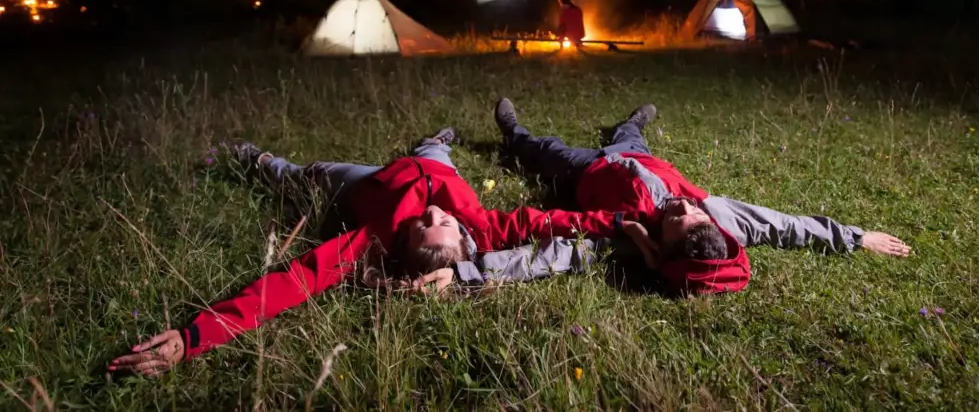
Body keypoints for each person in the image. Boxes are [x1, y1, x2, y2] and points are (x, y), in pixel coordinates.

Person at [108, 127, 643, 376]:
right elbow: (549, 222)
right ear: (464, 244)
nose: (435, 216)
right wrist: (624, 219)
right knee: (421, 154)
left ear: (406, 244)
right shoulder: (483, 225)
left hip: (365, 186)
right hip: (419, 170)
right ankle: (436, 139)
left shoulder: (375, 238)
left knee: (308, 176)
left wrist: (195, 335)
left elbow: (295, 281)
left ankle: (256, 157)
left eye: (426, 225)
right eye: (440, 224)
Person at [472, 98, 911, 295]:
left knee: (544, 151)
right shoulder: (719, 216)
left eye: (678, 217)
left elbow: (553, 255)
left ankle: (513, 134)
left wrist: (466, 276)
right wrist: (855, 238)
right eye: (693, 214)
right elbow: (785, 226)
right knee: (630, 136)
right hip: (638, 158)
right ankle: (631, 123)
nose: (683, 206)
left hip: (586, 171)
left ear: (662, 243)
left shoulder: (633, 238)